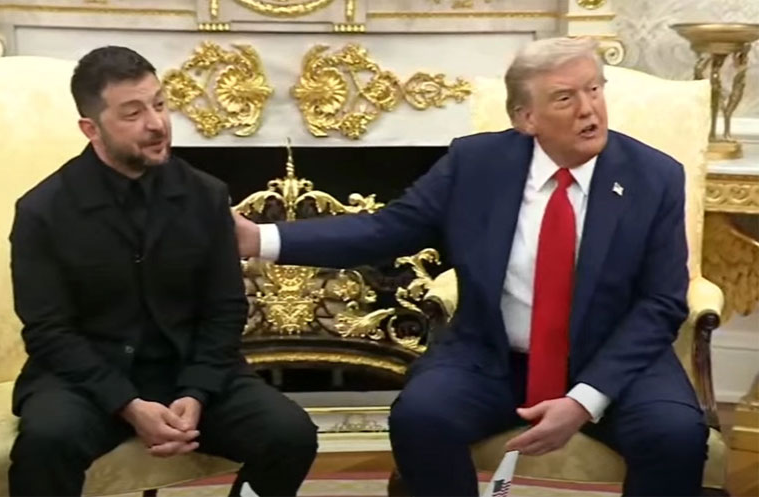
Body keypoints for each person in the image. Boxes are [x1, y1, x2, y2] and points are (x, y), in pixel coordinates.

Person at [232, 37, 707, 497]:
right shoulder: (476, 164)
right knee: (421, 417)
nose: (589, 109)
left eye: (594, 89)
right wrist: (260, 238)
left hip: (616, 360)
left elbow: (661, 302)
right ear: (526, 118)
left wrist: (584, 399)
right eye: (565, 98)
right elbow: (385, 230)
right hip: (493, 356)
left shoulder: (653, 176)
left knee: (676, 435)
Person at [8, 45, 317, 497]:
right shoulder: (43, 211)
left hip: (187, 372)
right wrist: (128, 404)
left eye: (159, 104)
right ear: (91, 129)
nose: (156, 124)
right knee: (46, 442)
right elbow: (48, 330)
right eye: (133, 113)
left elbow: (225, 309)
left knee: (290, 435)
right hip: (87, 379)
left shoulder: (206, 196)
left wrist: (196, 392)